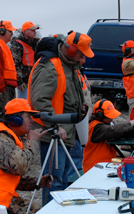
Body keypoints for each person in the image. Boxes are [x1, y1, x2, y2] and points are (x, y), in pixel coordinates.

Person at [28, 31, 94, 204]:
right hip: (53, 133)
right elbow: (39, 101)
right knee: (54, 181)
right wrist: (56, 125)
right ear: (72, 50)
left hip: (66, 131)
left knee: (63, 179)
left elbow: (65, 95)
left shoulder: (68, 65)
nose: (82, 58)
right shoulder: (50, 66)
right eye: (81, 54)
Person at [83, 99, 134, 173]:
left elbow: (123, 132)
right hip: (94, 168)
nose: (112, 118)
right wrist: (133, 122)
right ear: (100, 115)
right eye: (109, 116)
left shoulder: (105, 125)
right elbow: (114, 130)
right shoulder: (95, 127)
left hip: (103, 166)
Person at [10, 21, 40, 99]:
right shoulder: (17, 45)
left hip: (34, 81)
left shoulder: (35, 44)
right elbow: (14, 64)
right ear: (25, 31)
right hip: (24, 83)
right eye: (33, 30)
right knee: (24, 105)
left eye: (35, 30)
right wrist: (19, 82)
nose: (35, 32)